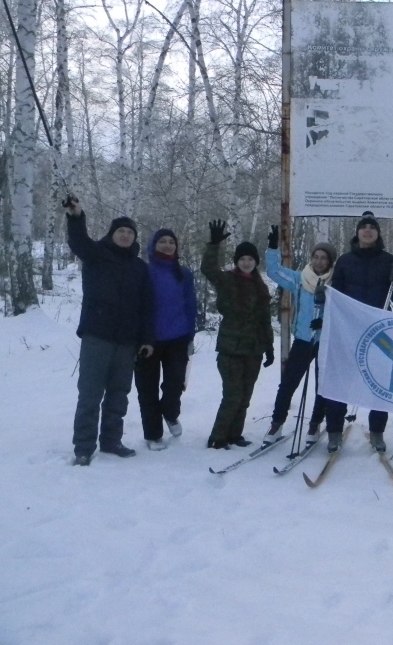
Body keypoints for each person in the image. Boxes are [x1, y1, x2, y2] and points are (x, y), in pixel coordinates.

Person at [65, 197, 154, 465]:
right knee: (90, 393)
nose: (125, 235)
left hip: (127, 342)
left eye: (130, 232)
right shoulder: (96, 255)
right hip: (97, 335)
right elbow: (78, 241)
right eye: (121, 231)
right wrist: (76, 216)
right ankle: (83, 447)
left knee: (119, 393)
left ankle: (111, 440)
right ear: (112, 234)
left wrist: (147, 339)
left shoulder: (140, 268)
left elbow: (147, 306)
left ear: (134, 238)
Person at [328, 211, 393, 453]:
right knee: (340, 379)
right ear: (358, 232)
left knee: (379, 381)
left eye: (372, 227)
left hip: (379, 330)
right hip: (349, 328)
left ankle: (377, 432)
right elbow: (336, 294)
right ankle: (333, 431)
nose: (368, 230)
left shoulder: (388, 260)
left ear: (377, 233)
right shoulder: (344, 260)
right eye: (364, 227)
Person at [201, 220, 274, 449]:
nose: (246, 262)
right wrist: (213, 244)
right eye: (242, 259)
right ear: (237, 261)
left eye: (250, 259)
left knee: (244, 397)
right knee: (232, 396)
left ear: (255, 262)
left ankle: (235, 434)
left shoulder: (260, 285)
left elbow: (264, 319)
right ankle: (218, 437)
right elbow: (208, 269)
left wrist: (269, 347)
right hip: (231, 349)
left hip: (253, 349)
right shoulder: (227, 280)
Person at [263, 226, 337, 444]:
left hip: (325, 342)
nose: (319, 261)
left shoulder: (336, 283)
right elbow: (274, 271)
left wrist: (324, 321)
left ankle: (314, 425)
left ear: (330, 261)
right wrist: (273, 248)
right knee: (288, 383)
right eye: (316, 256)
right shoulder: (300, 279)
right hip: (304, 340)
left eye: (324, 258)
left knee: (322, 386)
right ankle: (276, 424)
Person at [135, 228, 197, 451]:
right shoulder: (145, 272)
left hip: (178, 339)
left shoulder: (184, 273)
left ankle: (170, 415)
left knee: (174, 387)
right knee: (147, 389)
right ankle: (153, 435)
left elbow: (191, 305)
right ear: (153, 245)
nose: (168, 245)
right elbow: (138, 307)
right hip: (148, 341)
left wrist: (191, 334)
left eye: (172, 241)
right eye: (163, 241)